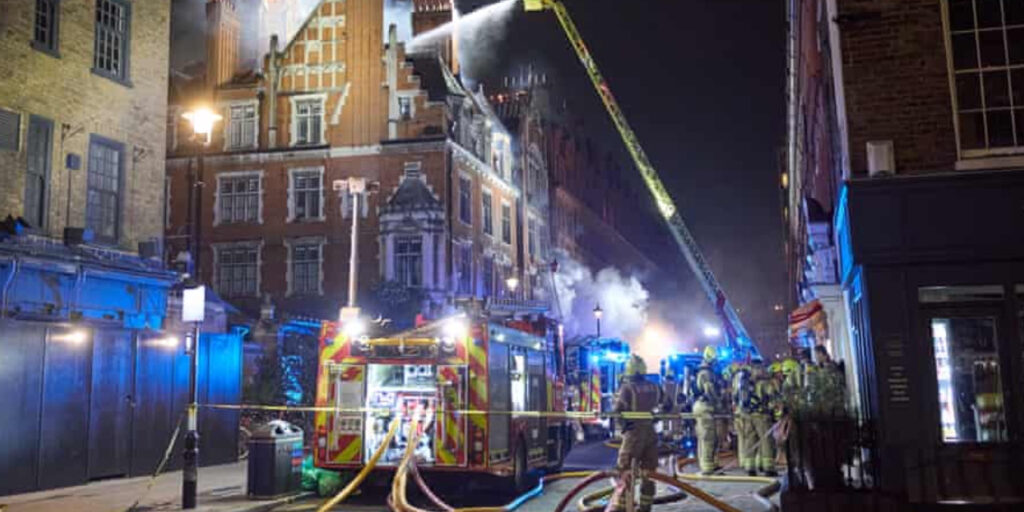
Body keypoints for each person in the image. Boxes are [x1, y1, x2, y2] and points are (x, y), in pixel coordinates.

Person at [613, 355, 661, 512]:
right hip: (651, 434)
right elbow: (668, 404)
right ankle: (645, 507)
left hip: (634, 434)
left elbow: (617, 411)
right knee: (649, 473)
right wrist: (656, 417)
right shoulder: (654, 387)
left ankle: (622, 507)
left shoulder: (627, 388)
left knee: (625, 470)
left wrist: (624, 426)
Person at [693, 346, 720, 475]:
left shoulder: (703, 371)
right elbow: (709, 390)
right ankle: (707, 468)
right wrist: (718, 402)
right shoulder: (706, 373)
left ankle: (707, 465)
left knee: (704, 437)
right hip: (705, 406)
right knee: (708, 437)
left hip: (701, 406)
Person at [750, 359, 779, 476]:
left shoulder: (749, 382)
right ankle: (768, 468)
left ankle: (753, 466)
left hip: (751, 415)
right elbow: (773, 396)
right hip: (762, 415)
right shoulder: (764, 383)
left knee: (754, 441)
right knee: (767, 442)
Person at [731, 362, 756, 475]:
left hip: (737, 411)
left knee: (741, 437)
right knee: (748, 436)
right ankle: (748, 462)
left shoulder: (735, 378)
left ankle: (743, 461)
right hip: (745, 411)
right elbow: (745, 396)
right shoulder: (744, 378)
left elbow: (735, 395)